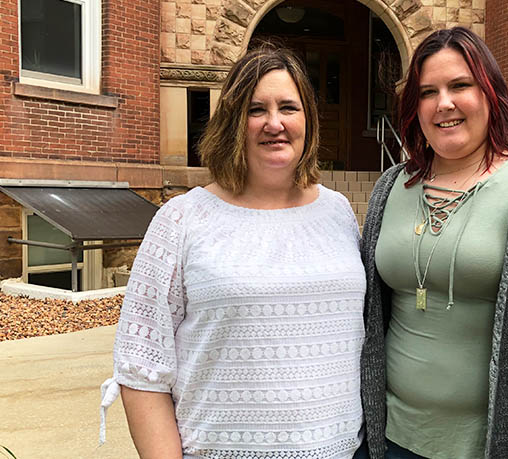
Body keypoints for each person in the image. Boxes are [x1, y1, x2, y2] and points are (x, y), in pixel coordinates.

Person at [99, 43, 368, 459]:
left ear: (308, 121)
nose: (273, 123)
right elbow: (143, 366)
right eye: (256, 109)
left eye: (288, 108)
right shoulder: (182, 219)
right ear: (232, 122)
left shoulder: (338, 213)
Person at [359, 27, 508, 459]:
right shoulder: (389, 189)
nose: (444, 103)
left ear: (490, 93)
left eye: (460, 85)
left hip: (492, 446)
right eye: (427, 92)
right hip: (391, 438)